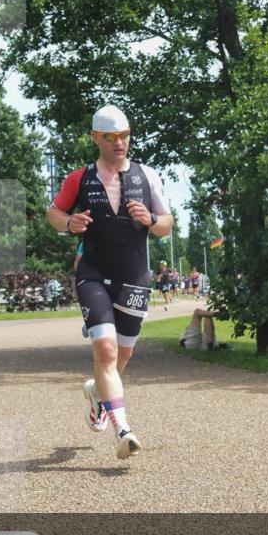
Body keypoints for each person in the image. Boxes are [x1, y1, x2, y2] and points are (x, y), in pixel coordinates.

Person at [47, 104, 173, 460]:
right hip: (93, 272)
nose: (119, 142)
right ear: (95, 139)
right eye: (110, 137)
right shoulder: (79, 178)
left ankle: (98, 393)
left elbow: (167, 223)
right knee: (105, 350)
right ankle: (123, 428)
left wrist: (150, 219)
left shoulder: (147, 175)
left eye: (124, 135)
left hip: (134, 275)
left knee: (123, 353)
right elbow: (53, 212)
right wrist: (68, 223)